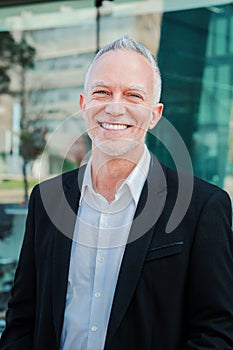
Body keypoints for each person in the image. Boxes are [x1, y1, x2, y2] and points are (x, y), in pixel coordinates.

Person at [0, 36, 233, 350]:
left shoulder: (202, 207)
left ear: (155, 114)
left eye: (133, 95)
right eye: (102, 92)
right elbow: (22, 319)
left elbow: (216, 333)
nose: (114, 107)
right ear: (84, 105)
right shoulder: (47, 200)